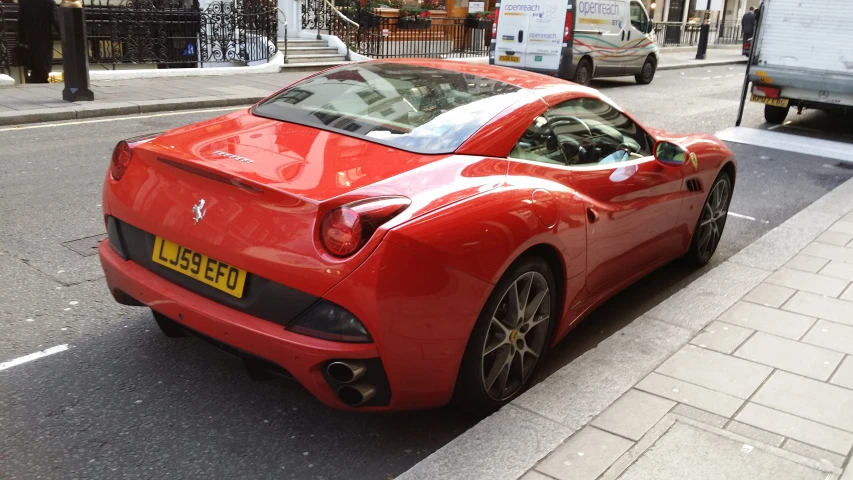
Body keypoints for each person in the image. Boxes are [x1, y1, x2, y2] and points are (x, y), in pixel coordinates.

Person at [17, 0, 58, 83]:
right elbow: (56, 21)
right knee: (43, 67)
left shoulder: (25, 3)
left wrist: (21, 39)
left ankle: (34, 80)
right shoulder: (49, 3)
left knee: (34, 66)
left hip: (30, 40)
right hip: (45, 39)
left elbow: (20, 23)